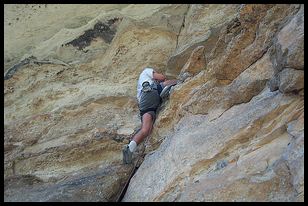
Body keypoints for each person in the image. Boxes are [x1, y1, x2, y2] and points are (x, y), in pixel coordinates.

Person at [122, 67, 177, 164]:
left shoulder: (138, 89)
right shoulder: (146, 71)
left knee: (145, 130)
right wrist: (162, 78)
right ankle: (180, 81)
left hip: (144, 105)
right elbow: (161, 77)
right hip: (150, 91)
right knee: (170, 82)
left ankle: (130, 148)